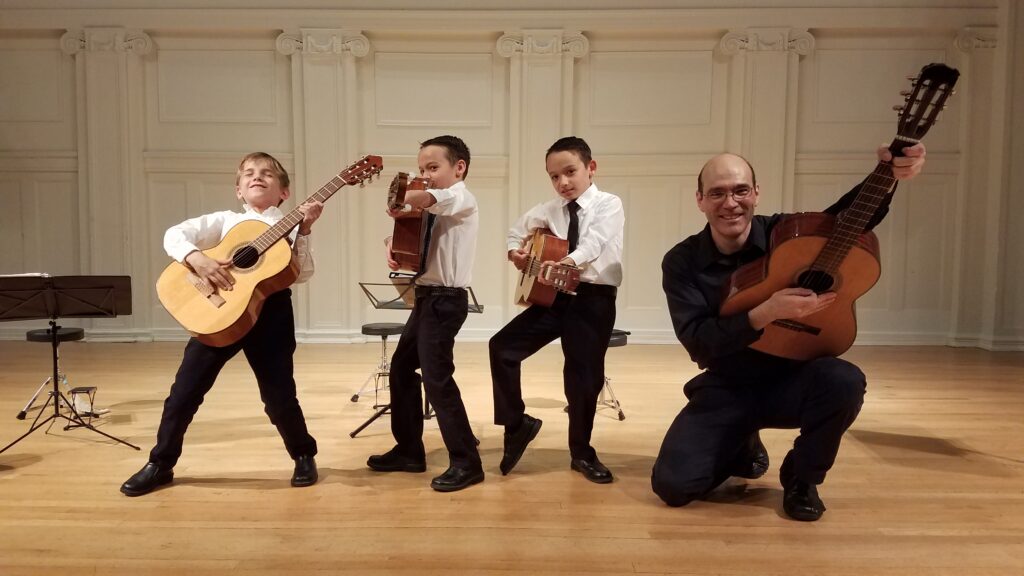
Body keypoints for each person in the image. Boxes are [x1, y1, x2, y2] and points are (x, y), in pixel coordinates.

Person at [651, 143, 927, 520]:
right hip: (729, 384)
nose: (730, 203)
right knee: (673, 486)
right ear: (700, 200)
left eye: (740, 190)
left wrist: (889, 173)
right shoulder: (682, 262)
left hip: (794, 381)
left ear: (756, 193)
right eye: (717, 193)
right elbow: (700, 343)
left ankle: (801, 477)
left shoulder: (788, 235)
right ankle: (741, 443)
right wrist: (766, 312)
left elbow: (848, 218)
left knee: (844, 380)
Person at [120, 152, 323, 496]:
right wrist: (197, 258)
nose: (257, 177)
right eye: (249, 173)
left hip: (271, 314)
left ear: (284, 192)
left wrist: (304, 230)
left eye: (267, 174)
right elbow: (174, 234)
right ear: (239, 190)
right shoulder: (228, 222)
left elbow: (301, 274)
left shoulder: (290, 226)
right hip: (218, 313)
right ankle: (160, 463)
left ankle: (303, 454)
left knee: (279, 396)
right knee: (184, 393)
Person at [490, 136, 625, 484]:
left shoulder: (609, 204)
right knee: (502, 347)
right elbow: (514, 232)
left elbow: (595, 243)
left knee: (582, 378)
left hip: (593, 299)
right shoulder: (548, 209)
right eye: (554, 176)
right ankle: (517, 425)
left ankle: (582, 453)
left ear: (590, 168)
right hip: (555, 297)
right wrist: (515, 252)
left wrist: (567, 262)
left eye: (570, 172)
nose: (562, 182)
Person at [367, 135, 484, 492]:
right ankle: (409, 451)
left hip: (446, 301)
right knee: (402, 368)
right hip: (426, 298)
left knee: (437, 379)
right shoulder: (432, 207)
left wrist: (402, 197)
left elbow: (427, 197)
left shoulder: (460, 197)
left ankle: (467, 462)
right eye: (421, 168)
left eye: (433, 167)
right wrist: (393, 244)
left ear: (459, 167)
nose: (426, 175)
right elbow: (416, 241)